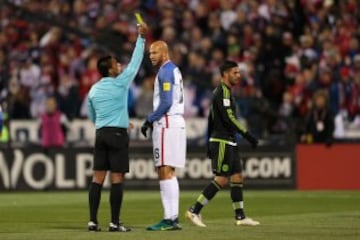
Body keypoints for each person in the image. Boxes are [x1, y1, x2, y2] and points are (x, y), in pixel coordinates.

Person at [86, 22, 148, 232]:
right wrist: (141, 38)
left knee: (97, 178)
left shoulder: (93, 90)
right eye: (116, 64)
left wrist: (115, 120)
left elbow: (92, 115)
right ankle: (114, 222)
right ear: (110, 70)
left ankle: (93, 221)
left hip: (101, 133)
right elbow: (136, 61)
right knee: (117, 178)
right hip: (117, 135)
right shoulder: (120, 82)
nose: (120, 65)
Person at [185, 60, 260, 227]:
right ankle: (194, 210)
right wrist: (247, 135)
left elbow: (211, 119)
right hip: (222, 140)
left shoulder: (225, 92)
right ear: (225, 74)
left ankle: (240, 217)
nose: (238, 76)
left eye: (239, 72)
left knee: (237, 177)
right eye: (235, 72)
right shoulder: (222, 92)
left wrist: (207, 141)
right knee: (221, 179)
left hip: (229, 140)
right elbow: (229, 118)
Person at [141, 40, 186, 231]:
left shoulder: (166, 72)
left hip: (167, 123)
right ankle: (173, 217)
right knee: (170, 171)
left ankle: (169, 219)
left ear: (164, 53)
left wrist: (150, 119)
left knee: (164, 170)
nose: (151, 56)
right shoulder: (174, 69)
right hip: (176, 122)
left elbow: (166, 101)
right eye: (150, 53)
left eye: (154, 52)